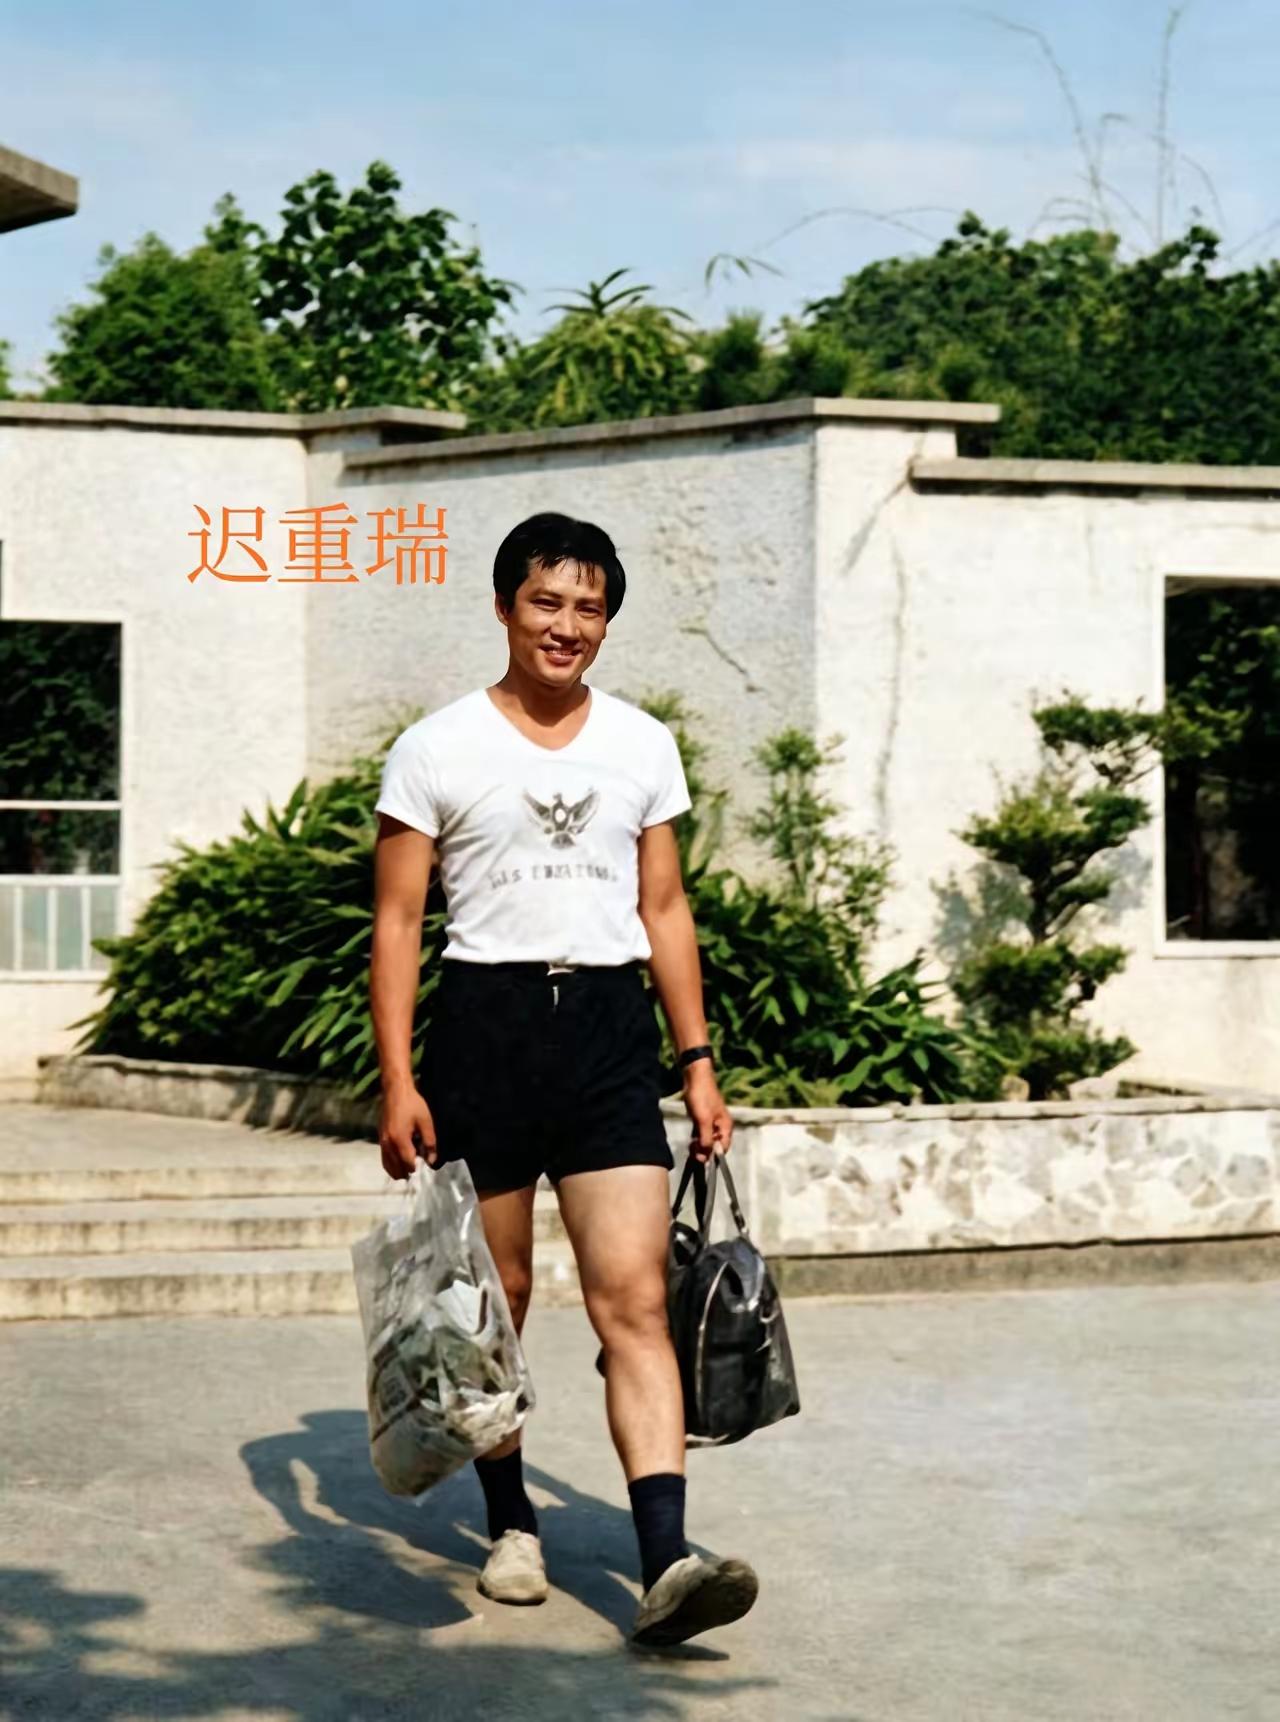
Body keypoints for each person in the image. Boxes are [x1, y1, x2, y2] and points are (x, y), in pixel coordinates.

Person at [369, 511, 758, 1648]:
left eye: (588, 608)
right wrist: (396, 1080)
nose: (566, 625)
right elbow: (398, 923)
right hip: (483, 1030)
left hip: (605, 1034)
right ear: (504, 607)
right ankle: (510, 1524)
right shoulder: (435, 747)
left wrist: (697, 1063)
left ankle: (664, 1558)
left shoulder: (641, 743)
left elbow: (664, 909)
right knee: (497, 1303)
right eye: (546, 601)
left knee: (631, 1298)